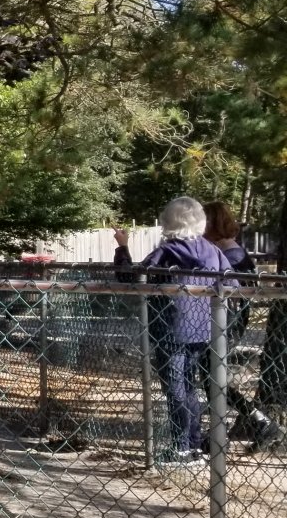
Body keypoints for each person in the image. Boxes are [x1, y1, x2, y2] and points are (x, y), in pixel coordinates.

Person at [114, 197, 236, 465]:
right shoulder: (212, 251)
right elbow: (233, 282)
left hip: (169, 329)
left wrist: (122, 249)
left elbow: (131, 277)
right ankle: (192, 444)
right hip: (202, 329)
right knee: (188, 386)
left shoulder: (167, 251)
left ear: (168, 221)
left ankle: (182, 447)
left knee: (175, 388)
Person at [203, 201, 280, 448]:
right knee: (211, 376)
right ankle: (255, 422)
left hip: (227, 320)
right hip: (222, 319)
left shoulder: (231, 255)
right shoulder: (225, 251)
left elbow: (238, 292)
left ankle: (253, 423)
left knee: (212, 375)